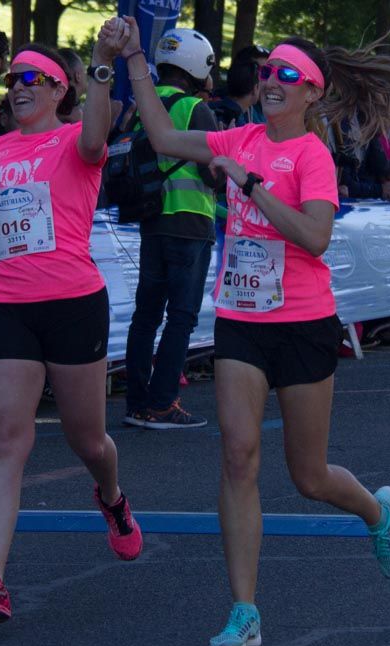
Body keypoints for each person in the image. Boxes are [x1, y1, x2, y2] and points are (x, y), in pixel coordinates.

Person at [114, 17, 390, 646]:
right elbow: (165, 135)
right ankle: (244, 611)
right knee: (238, 456)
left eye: (287, 73)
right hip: (242, 322)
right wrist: (137, 60)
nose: (272, 80)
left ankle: (377, 513)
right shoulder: (238, 136)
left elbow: (314, 237)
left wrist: (249, 184)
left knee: (307, 474)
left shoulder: (312, 156)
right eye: (266, 70)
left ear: (312, 91)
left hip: (304, 324)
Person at [0, 33, 143, 625]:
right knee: (7, 442)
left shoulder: (75, 140)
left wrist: (104, 66)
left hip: (73, 304)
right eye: (12, 80)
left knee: (86, 440)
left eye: (30, 79)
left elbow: (97, 129)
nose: (16, 89)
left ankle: (112, 500)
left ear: (61, 90)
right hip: (7, 306)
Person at [123, 27, 220, 430]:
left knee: (146, 315)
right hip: (191, 221)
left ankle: (138, 403)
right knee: (181, 316)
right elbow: (214, 172)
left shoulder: (139, 108)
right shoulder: (195, 109)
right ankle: (163, 404)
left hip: (152, 222)